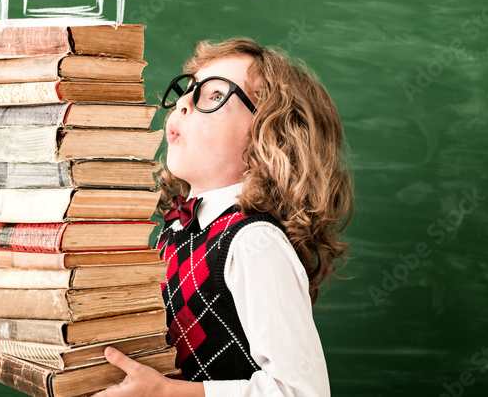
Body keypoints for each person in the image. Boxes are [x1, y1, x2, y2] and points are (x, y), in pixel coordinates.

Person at [94, 37, 355, 397]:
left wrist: (167, 393)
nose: (183, 103)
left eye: (215, 95)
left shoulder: (253, 243)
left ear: (269, 138)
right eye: (188, 91)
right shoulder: (176, 230)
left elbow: (302, 391)